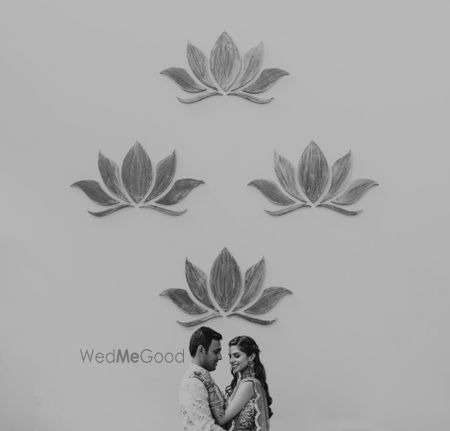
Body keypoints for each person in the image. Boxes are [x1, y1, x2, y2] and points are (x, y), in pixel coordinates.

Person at [203, 336, 273, 431]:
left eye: (237, 356)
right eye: (230, 356)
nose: (231, 361)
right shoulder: (240, 384)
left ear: (251, 357)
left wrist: (209, 386)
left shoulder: (249, 384)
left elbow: (221, 419)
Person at [179, 326, 226, 431]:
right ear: (201, 350)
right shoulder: (193, 383)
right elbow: (206, 427)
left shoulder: (203, 378)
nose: (220, 357)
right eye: (216, 352)